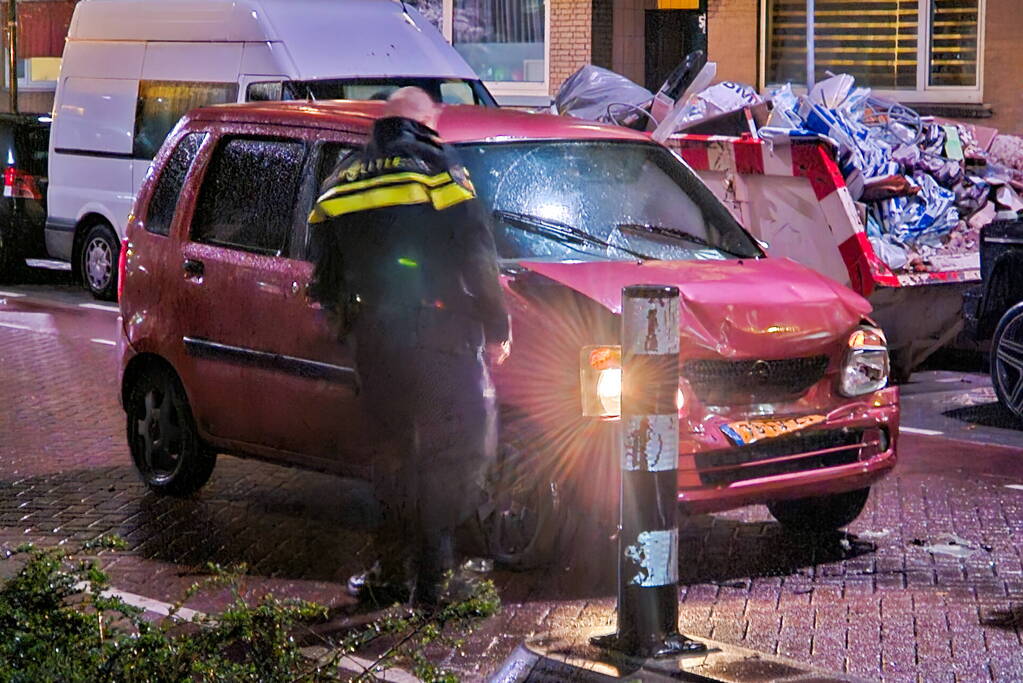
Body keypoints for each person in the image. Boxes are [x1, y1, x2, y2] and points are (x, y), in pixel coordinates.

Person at [307, 87, 511, 606]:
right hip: (442, 336)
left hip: (378, 339)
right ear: (422, 120)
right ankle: (436, 579)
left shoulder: (343, 176)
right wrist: (497, 328)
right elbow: (477, 254)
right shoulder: (439, 169)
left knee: (394, 455)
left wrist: (343, 321)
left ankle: (392, 572)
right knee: (450, 452)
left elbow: (323, 266)